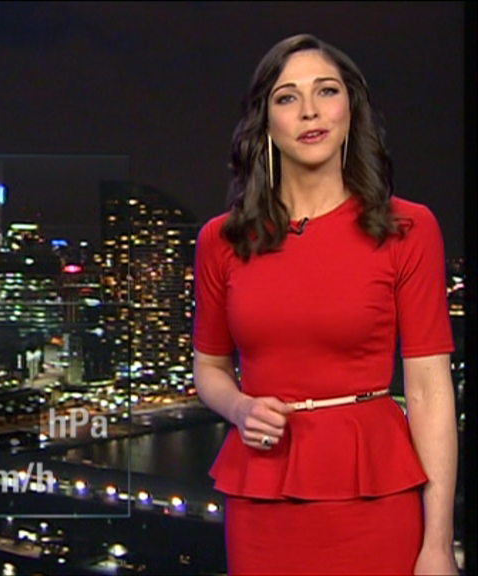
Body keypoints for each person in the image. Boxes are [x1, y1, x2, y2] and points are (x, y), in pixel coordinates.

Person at [192, 34, 458, 575]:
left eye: (327, 91)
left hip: (375, 500)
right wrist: (240, 408)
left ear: (351, 109)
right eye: (287, 97)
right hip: (261, 500)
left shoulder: (409, 228)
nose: (309, 110)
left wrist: (437, 545)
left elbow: (430, 393)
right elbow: (209, 367)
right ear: (265, 123)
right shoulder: (221, 240)